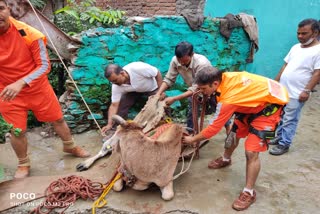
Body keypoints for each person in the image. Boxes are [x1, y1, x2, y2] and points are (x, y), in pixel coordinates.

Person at [0, 0, 90, 179]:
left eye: (0, 8)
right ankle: (23, 163)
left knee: (57, 119)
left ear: (8, 9)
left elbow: (44, 66)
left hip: (37, 88)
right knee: (17, 131)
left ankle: (69, 145)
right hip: (7, 92)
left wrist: (20, 83)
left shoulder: (30, 34)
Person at [183, 66, 289, 211]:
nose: (201, 91)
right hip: (248, 105)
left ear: (214, 84)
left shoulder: (228, 100)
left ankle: (249, 192)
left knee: (251, 152)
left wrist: (192, 139)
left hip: (270, 110)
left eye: (202, 88)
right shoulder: (224, 78)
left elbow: (213, 129)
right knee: (233, 134)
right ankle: (226, 159)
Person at [269, 18, 320, 155]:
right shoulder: (295, 47)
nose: (300, 36)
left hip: (297, 93)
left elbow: (317, 73)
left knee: (290, 119)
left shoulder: (318, 50)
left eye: (304, 33)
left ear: (315, 33)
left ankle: (284, 144)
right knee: (280, 116)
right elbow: (285, 65)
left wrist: (307, 90)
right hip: (283, 90)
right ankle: (279, 137)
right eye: (298, 33)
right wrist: (275, 82)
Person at [155, 41, 232, 133]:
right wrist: (158, 93)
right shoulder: (175, 60)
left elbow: (196, 87)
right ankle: (191, 134)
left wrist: (175, 98)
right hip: (193, 90)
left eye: (185, 61)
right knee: (192, 112)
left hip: (209, 89)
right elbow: (169, 79)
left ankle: (229, 128)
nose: (181, 63)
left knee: (219, 110)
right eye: (179, 60)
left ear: (192, 54)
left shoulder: (202, 63)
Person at [101, 62, 162, 133]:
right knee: (121, 104)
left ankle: (162, 125)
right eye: (112, 82)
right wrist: (109, 124)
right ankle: (116, 129)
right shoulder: (116, 86)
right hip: (133, 92)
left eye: (115, 80)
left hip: (151, 88)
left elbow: (157, 73)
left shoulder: (137, 68)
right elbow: (114, 105)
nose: (114, 83)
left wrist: (160, 91)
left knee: (160, 102)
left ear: (122, 73)